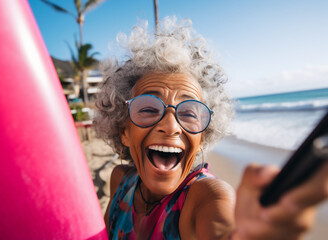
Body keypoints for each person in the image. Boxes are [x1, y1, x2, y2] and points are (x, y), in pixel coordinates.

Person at [93, 17, 328, 240]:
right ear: (124, 131)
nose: (170, 126)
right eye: (147, 109)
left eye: (189, 113)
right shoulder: (120, 180)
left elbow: (223, 227)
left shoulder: (207, 197)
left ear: (202, 137)